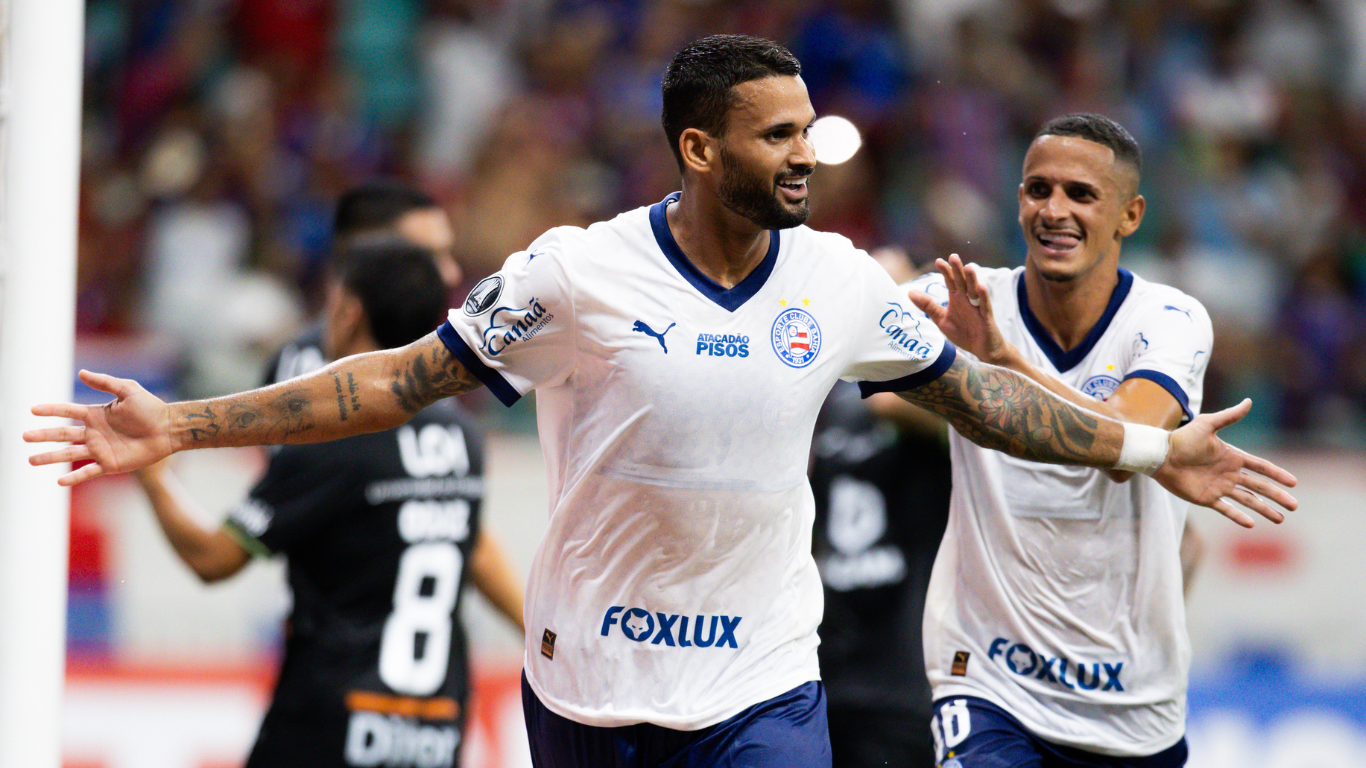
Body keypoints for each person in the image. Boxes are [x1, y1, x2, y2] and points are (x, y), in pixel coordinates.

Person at [28, 37, 1296, 768]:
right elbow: (396, 381)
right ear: (698, 149)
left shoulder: (839, 282)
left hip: (764, 676)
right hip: (592, 675)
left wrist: (1147, 451)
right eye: (775, 136)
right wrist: (183, 424)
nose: (803, 156)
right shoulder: (574, 276)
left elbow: (983, 402)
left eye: (807, 132)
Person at [906, 113, 1233, 767]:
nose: (1054, 211)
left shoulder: (1170, 318)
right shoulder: (960, 300)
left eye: (1080, 194)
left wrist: (1002, 363)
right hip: (988, 682)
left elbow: (1124, 444)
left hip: (1133, 708)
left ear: (1130, 215)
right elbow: (839, 330)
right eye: (1038, 189)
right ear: (1018, 199)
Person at [132, 240, 524, 768]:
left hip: (332, 724)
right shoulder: (464, 436)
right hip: (434, 731)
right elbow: (473, 547)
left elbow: (213, 557)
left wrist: (153, 477)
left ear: (348, 310)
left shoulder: (333, 441)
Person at [810, 248, 951, 768]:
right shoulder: (828, 399)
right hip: (824, 666)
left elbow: (911, 408)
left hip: (902, 673)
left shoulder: (941, 398)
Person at [266, 181, 464, 385]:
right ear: (366, 258)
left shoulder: (440, 381)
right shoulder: (302, 371)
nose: (452, 274)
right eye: (427, 258)